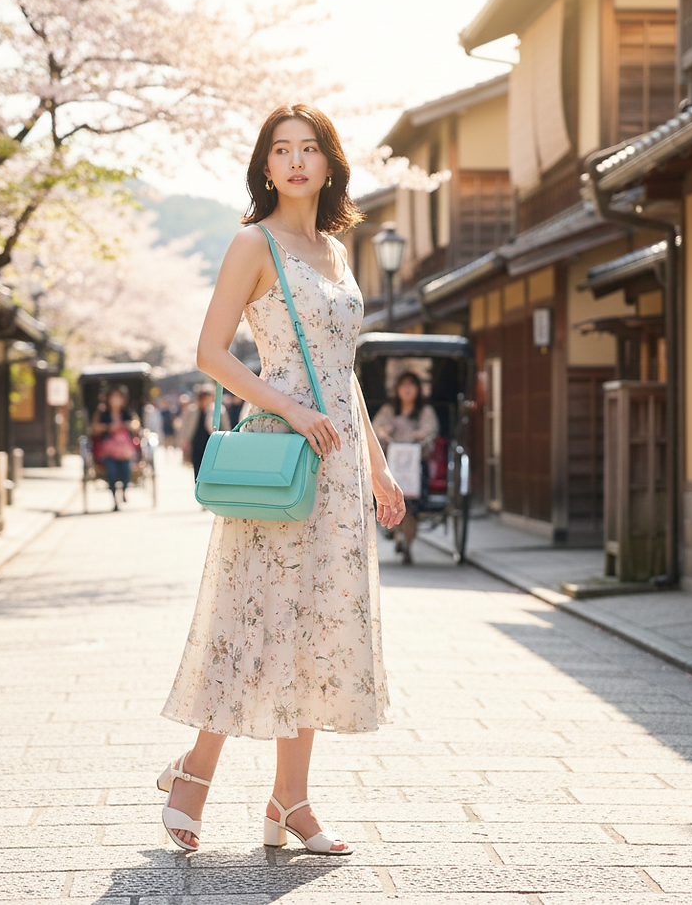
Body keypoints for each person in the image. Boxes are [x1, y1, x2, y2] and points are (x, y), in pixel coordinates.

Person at [159, 103, 405, 856]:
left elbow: (346, 375)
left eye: (309, 149)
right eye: (281, 150)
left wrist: (378, 465)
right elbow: (212, 353)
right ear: (265, 166)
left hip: (337, 467)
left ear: (329, 163)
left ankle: (290, 799)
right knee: (256, 615)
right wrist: (292, 408)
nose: (296, 162)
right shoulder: (252, 243)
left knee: (319, 627)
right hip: (285, 452)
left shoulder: (334, 249)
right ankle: (193, 774)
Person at [372, 372, 440, 564]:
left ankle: (407, 543)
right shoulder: (388, 410)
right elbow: (376, 429)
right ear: (397, 389)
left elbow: (431, 431)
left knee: (411, 506)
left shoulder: (425, 411)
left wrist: (421, 434)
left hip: (416, 465)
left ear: (418, 389)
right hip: (391, 465)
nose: (407, 389)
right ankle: (396, 533)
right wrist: (384, 432)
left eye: (411, 385)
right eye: (403, 385)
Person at [91, 385, 136, 511]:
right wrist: (108, 427)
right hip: (109, 450)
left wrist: (127, 425)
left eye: (118, 397)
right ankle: (115, 500)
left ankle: (124, 491)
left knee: (127, 472)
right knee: (111, 474)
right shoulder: (103, 413)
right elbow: (94, 428)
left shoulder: (127, 412)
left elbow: (136, 424)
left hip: (125, 450)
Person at [181, 383, 230, 479]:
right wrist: (184, 442)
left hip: (212, 444)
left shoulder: (218, 410)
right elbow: (186, 427)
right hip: (196, 444)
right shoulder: (192, 410)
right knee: (197, 471)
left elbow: (226, 428)